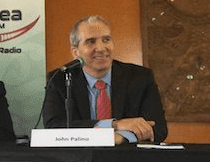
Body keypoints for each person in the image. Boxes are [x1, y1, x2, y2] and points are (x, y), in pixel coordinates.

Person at [43, 15, 168, 144]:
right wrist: (114, 125)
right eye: (91, 41)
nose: (101, 48)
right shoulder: (59, 80)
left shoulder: (139, 77)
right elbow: (54, 127)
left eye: (106, 40)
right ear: (76, 52)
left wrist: (121, 138)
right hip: (80, 159)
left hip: (128, 159)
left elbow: (158, 128)